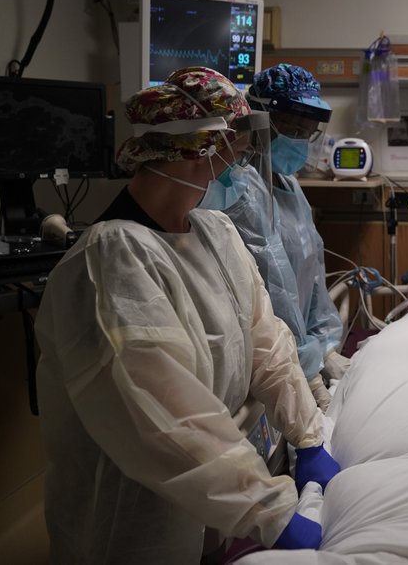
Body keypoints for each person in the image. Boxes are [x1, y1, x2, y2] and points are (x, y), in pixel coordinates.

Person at [35, 67, 340, 563]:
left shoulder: (215, 233)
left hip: (212, 494)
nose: (241, 154)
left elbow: (266, 340)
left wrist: (305, 433)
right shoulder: (113, 259)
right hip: (132, 517)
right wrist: (270, 512)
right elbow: (166, 419)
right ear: (198, 147)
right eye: (233, 140)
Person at [223, 63, 348, 410]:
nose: (299, 140)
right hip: (269, 357)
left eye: (306, 133)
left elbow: (313, 271)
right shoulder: (243, 188)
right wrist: (305, 366)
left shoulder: (289, 185)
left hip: (302, 352)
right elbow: (274, 286)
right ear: (262, 122)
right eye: (292, 128)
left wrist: (326, 347)